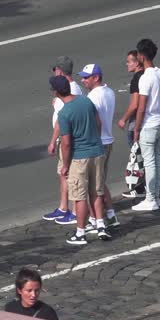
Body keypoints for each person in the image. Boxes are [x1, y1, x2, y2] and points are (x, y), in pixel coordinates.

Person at [54, 75, 107, 245]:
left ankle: (81, 233)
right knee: (97, 191)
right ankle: (101, 226)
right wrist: (95, 141)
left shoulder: (64, 113)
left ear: (56, 92)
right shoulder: (86, 101)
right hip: (97, 152)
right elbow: (98, 123)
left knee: (79, 196)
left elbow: (66, 143)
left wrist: (65, 165)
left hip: (79, 158)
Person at [43, 56, 83, 225]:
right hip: (66, 137)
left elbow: (62, 120)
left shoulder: (69, 91)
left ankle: (73, 211)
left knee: (68, 174)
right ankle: (63, 207)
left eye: (55, 70)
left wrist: (53, 141)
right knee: (63, 174)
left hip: (66, 138)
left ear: (59, 70)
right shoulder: (73, 88)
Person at [131, 39, 160, 212]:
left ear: (141, 56)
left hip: (148, 124)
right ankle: (156, 195)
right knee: (157, 161)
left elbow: (141, 107)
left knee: (150, 162)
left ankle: (151, 198)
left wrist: (137, 129)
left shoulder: (145, 78)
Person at [79, 63, 119, 230]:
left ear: (96, 78)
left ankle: (97, 219)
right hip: (107, 141)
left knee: (92, 185)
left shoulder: (93, 97)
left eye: (86, 77)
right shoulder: (109, 92)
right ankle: (109, 214)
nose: (83, 80)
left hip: (97, 143)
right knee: (100, 182)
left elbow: (94, 123)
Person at [116, 50, 147, 198]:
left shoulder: (137, 79)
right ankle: (146, 186)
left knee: (138, 156)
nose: (126, 64)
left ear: (137, 62)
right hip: (149, 121)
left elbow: (135, 105)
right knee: (146, 156)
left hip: (136, 123)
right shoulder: (149, 75)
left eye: (129, 61)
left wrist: (123, 119)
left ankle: (141, 188)